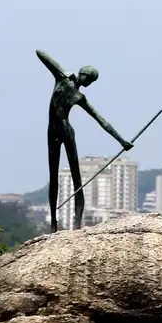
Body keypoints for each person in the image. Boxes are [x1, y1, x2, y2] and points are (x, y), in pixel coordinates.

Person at [36, 50, 133, 232]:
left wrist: (122, 141)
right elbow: (40, 53)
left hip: (66, 131)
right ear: (84, 75)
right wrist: (61, 70)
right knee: (53, 177)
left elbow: (101, 120)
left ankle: (77, 223)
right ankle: (54, 225)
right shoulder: (62, 79)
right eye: (90, 80)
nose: (89, 84)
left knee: (76, 178)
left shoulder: (80, 97)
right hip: (52, 132)